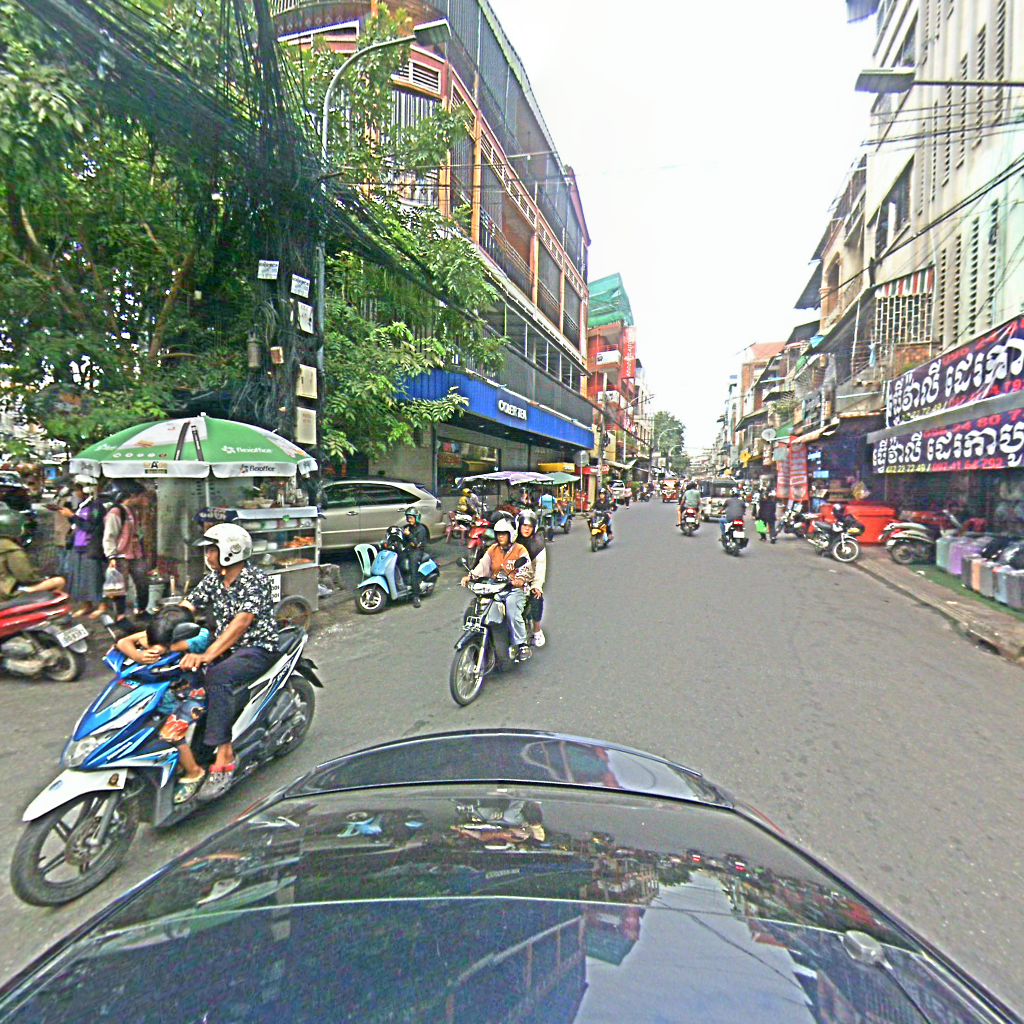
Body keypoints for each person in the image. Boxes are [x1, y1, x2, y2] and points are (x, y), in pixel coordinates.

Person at [178, 523, 279, 802]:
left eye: (212, 550)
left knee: (217, 675)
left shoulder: (254, 580)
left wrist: (208, 655)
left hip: (257, 647)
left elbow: (242, 622)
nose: (208, 556)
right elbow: (188, 606)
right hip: (227, 648)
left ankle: (225, 754)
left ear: (230, 551)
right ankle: (197, 747)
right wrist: (161, 628)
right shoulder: (214, 580)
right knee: (186, 678)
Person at [115, 606, 213, 803]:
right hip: (166, 692)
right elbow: (123, 642)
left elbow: (168, 647)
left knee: (171, 732)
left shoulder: (199, 636)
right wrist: (138, 655)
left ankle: (194, 772)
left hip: (195, 694)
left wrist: (155, 648)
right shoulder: (161, 634)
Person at [460, 517, 533, 662]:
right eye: (498, 534)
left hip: (514, 589)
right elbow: (483, 565)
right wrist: (470, 576)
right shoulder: (493, 549)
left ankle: (522, 645)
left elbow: (526, 568)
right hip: (495, 587)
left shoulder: (520, 549)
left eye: (504, 534)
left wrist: (520, 579)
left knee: (512, 608)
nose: (500, 537)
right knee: (479, 606)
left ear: (511, 534)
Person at [60, 475, 105, 617]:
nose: (76, 493)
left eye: (78, 489)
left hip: (90, 547)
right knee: (80, 577)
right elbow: (79, 524)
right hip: (78, 546)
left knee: (94, 577)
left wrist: (72, 516)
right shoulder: (82, 505)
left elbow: (92, 526)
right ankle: (86, 605)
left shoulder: (96, 506)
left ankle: (101, 605)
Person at [0, 503, 66, 599]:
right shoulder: (11, 549)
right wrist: (41, 578)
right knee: (59, 581)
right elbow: (26, 577)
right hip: (6, 593)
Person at [516, 509, 548, 648]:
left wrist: (536, 585)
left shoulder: (537, 544)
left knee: (536, 597)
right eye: (524, 525)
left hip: (529, 579)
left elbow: (540, 567)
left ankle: (537, 630)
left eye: (530, 526)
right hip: (511, 577)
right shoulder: (512, 539)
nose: (526, 529)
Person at [400, 507, 430, 608]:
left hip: (417, 551)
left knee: (413, 571)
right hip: (408, 549)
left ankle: (416, 596)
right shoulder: (406, 527)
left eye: (411, 518)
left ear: (416, 518)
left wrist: (409, 535)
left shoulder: (421, 529)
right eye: (408, 518)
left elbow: (416, 544)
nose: (409, 520)